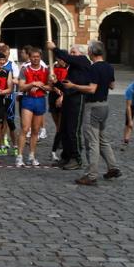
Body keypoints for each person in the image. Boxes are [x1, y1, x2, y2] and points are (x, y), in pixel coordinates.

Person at [61, 41, 120, 186]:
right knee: (102, 139)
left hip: (93, 107)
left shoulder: (94, 68)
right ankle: (112, 167)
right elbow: (112, 85)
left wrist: (73, 85)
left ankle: (91, 175)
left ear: (92, 52)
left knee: (92, 142)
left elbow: (92, 89)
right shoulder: (109, 66)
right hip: (104, 106)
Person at [47, 41, 90, 170]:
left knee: (73, 131)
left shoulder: (83, 60)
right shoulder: (72, 68)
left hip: (77, 99)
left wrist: (54, 48)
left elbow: (66, 57)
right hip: (68, 98)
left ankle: (76, 159)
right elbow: (66, 87)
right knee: (64, 130)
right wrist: (56, 83)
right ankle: (66, 157)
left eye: (73, 52)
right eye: (71, 52)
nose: (71, 55)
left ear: (81, 54)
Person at [16, 48, 52, 167]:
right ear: (29, 57)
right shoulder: (25, 69)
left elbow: (50, 87)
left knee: (36, 130)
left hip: (40, 100)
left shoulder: (46, 70)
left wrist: (41, 86)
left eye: (37, 57)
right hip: (28, 100)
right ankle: (19, 156)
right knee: (25, 128)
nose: (35, 59)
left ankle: (31, 155)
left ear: (40, 57)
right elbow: (21, 87)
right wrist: (32, 84)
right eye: (33, 57)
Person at [48, 58, 68, 162]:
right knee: (58, 127)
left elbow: (68, 85)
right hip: (53, 97)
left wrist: (62, 96)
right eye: (60, 60)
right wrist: (55, 88)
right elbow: (49, 82)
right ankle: (59, 142)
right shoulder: (52, 68)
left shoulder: (69, 69)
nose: (62, 61)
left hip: (64, 97)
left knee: (60, 127)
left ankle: (54, 150)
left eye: (63, 60)